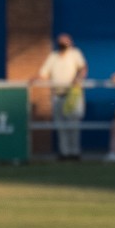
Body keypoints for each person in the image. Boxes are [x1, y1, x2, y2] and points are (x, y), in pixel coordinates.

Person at [31, 32, 88, 160]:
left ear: (70, 42)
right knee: (60, 125)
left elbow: (83, 68)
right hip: (57, 95)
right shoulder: (53, 56)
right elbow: (44, 73)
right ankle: (64, 153)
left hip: (72, 95)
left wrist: (77, 79)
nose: (63, 43)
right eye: (61, 41)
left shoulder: (75, 54)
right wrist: (32, 80)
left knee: (73, 124)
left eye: (65, 41)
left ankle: (75, 152)